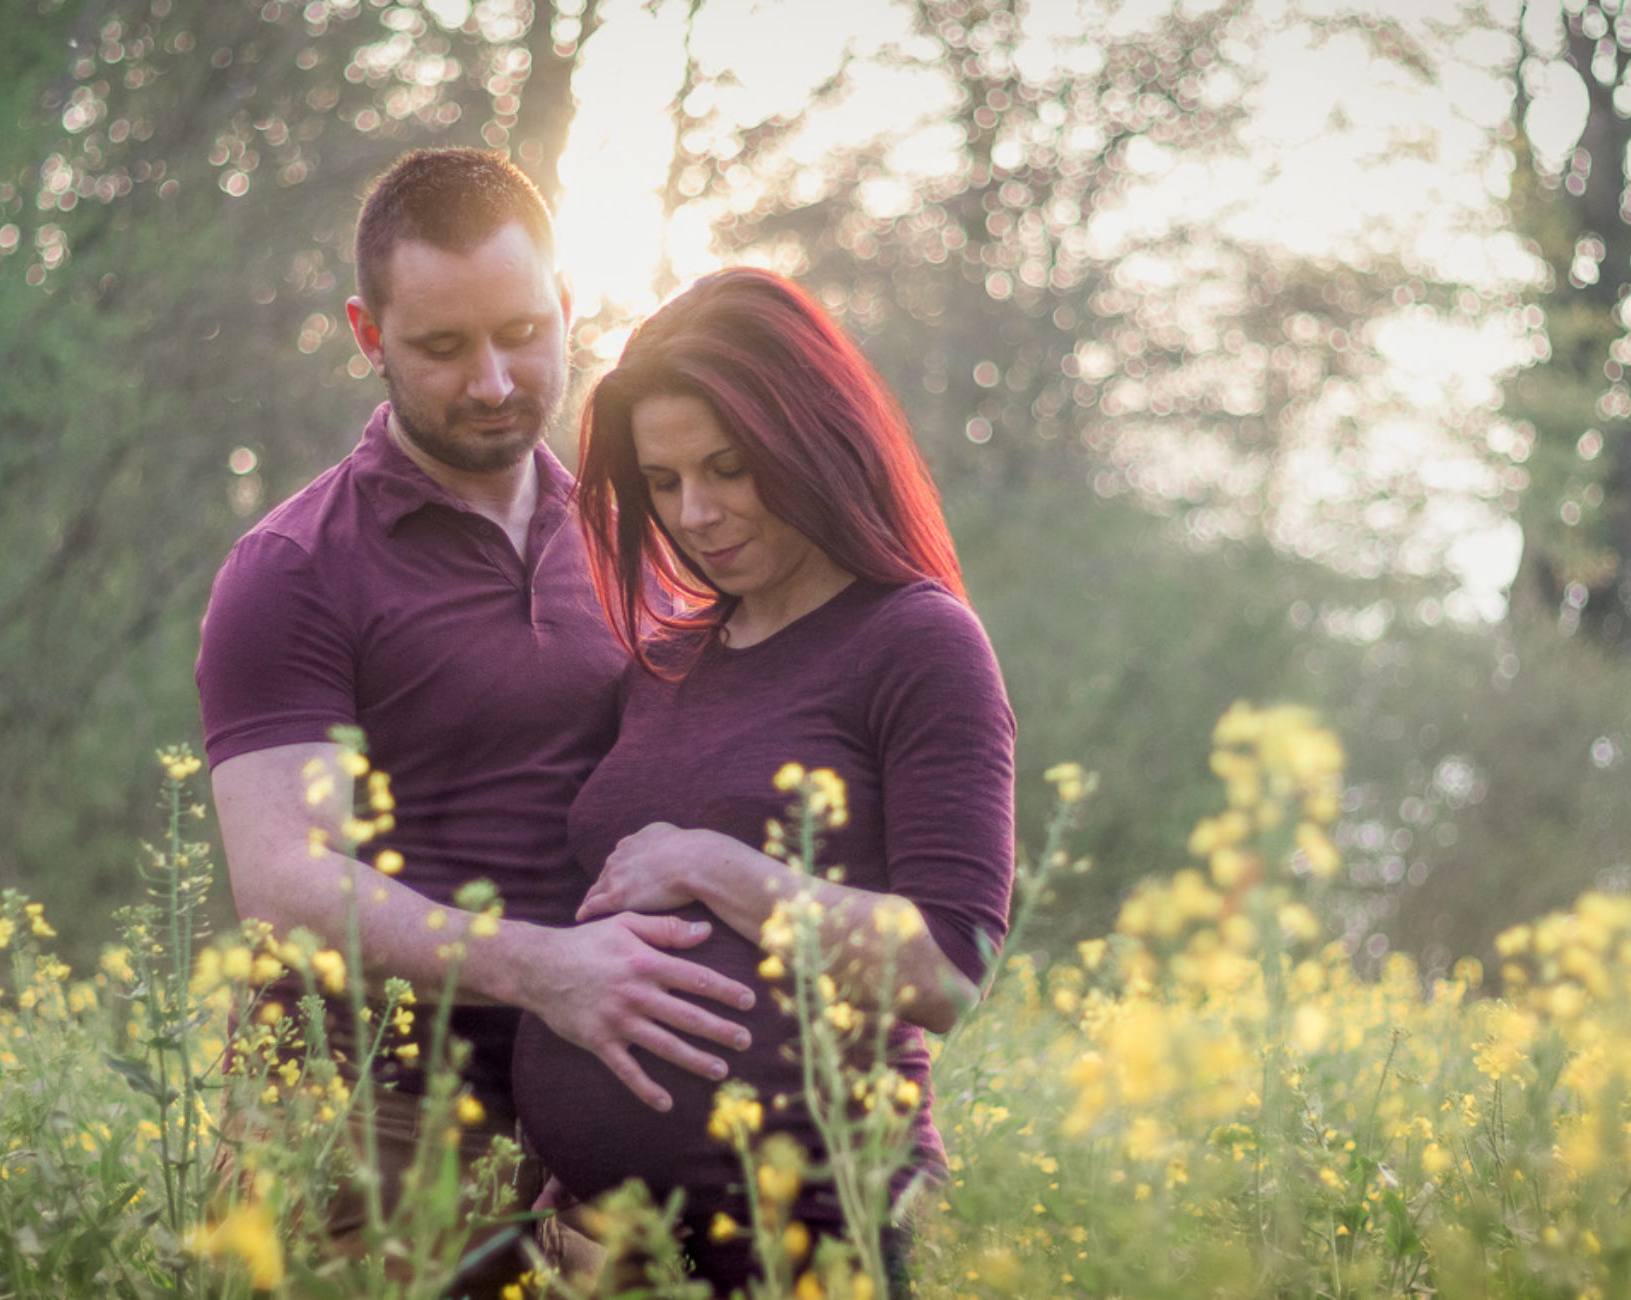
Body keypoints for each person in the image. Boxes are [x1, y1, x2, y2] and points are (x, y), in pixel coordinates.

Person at [194, 149, 757, 1292]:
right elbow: (284, 882)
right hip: (365, 1118)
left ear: (565, 304)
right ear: (368, 334)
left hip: (609, 1122)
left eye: (520, 333)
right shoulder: (292, 571)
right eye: (443, 348)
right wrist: (546, 967)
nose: (494, 381)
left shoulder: (643, 535)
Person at [511, 268, 1018, 1292]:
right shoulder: (669, 661)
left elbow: (948, 969)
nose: (695, 512)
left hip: (808, 1226)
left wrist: (711, 863)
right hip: (610, 1247)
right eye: (663, 481)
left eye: (730, 467)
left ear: (810, 439)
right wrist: (565, 1157)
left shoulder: (915, 640)